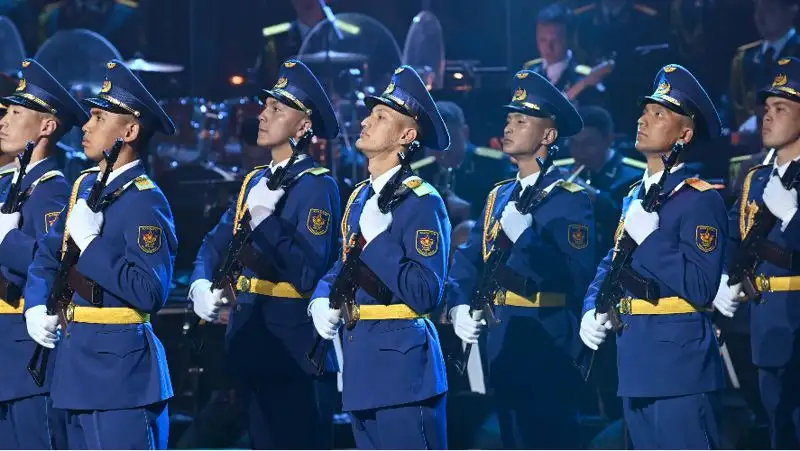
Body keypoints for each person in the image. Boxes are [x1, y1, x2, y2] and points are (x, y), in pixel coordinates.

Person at [23, 59, 177, 449]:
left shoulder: (146, 201)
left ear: (130, 131)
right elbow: (47, 256)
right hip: (74, 368)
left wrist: (92, 244)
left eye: (98, 117)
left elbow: (149, 292)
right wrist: (36, 305)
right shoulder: (85, 187)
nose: (86, 127)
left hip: (121, 377)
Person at [189, 59, 341, 449]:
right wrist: (200, 284)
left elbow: (308, 274)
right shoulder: (255, 181)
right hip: (253, 347)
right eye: (265, 106)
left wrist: (265, 221)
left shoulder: (317, 186)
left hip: (295, 355)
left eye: (276, 108)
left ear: (303, 126)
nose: (263, 115)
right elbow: (214, 243)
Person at [579, 64, 727, 449]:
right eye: (645, 112)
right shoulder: (635, 196)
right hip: (635, 361)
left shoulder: (700, 199)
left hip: (679, 368)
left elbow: (701, 286)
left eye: (659, 114)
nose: (643, 120)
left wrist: (652, 239)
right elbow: (613, 262)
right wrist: (591, 306)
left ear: (684, 134)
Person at [447, 69, 594, 449]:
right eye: (509, 119)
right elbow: (467, 261)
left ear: (548, 136)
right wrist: (459, 304)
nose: (509, 127)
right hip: (504, 340)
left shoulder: (570, 197)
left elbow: (577, 275)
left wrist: (526, 238)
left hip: (548, 343)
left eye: (522, 121)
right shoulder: (498, 196)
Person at [309, 65, 451, 449]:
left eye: (381, 116)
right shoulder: (360, 197)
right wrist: (320, 297)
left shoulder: (421, 201)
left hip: (403, 374)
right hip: (362, 367)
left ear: (407, 136)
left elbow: (425, 292)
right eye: (370, 114)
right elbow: (345, 264)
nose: (366, 121)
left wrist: (377, 242)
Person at [714, 56, 800, 449]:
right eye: (766, 108)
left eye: (781, 108)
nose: (767, 117)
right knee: (778, 430)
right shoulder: (755, 178)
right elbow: (732, 237)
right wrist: (722, 278)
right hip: (764, 326)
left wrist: (792, 217)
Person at [0, 58, 85, 450]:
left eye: (16, 114)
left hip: (28, 356)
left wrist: (6, 241)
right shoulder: (14, 186)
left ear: (47, 127)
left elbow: (56, 264)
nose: (3, 122)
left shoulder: (52, 190)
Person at [554, 105, 645, 257]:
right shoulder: (561, 171)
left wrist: (595, 197)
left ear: (608, 140)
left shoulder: (635, 176)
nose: (579, 152)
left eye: (588, 144)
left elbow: (632, 226)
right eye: (574, 143)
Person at [730, 0, 800, 130]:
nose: (760, 17)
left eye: (769, 10)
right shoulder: (744, 58)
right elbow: (733, 107)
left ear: (791, 12)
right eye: (757, 10)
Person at [524, 4, 611, 106]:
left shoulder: (585, 78)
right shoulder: (529, 72)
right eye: (543, 40)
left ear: (570, 39)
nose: (548, 47)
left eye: (555, 40)